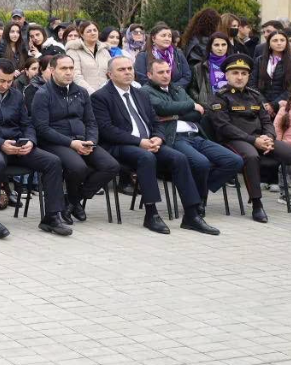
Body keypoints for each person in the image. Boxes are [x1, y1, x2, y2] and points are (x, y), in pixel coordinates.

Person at [91, 57, 214, 235]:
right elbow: (106, 130)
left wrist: (158, 138)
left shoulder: (140, 94)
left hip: (149, 143)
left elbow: (156, 121)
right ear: (110, 74)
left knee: (179, 158)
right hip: (119, 146)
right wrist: (139, 142)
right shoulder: (100, 97)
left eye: (130, 68)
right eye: (121, 70)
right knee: (146, 157)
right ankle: (151, 214)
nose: (127, 72)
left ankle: (191, 215)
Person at [204, 53, 291, 222]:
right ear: (227, 75)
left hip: (261, 139)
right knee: (251, 156)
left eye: (244, 73)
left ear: (248, 76)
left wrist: (269, 136)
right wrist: (254, 140)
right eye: (235, 73)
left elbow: (266, 121)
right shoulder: (219, 97)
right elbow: (224, 127)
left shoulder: (255, 95)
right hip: (234, 140)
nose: (239, 77)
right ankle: (257, 204)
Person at [0, 58, 70, 236]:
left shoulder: (16, 95)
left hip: (16, 144)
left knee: (52, 161)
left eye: (9, 81)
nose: (5, 85)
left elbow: (26, 123)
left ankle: (52, 217)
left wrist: (30, 141)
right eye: (1, 81)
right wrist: (0, 143)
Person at [140, 57, 242, 219]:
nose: (166, 75)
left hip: (196, 135)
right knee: (201, 163)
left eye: (168, 71)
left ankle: (196, 191)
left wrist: (174, 114)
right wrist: (189, 106)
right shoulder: (145, 91)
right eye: (160, 72)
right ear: (150, 75)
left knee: (234, 161)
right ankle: (198, 201)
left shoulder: (177, 89)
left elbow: (198, 114)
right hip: (175, 137)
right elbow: (163, 107)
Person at [31, 54, 118, 221]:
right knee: (78, 167)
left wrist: (91, 141)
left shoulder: (81, 92)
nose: (68, 72)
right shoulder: (43, 94)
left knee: (111, 166)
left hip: (82, 140)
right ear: (52, 70)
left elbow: (91, 122)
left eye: (71, 68)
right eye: (63, 68)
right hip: (55, 142)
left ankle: (72, 200)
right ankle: (74, 202)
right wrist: (71, 143)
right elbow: (42, 128)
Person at [256, 30, 291, 110]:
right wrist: (264, 104)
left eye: (282, 40)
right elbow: (252, 84)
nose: (279, 43)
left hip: (283, 105)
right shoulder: (260, 60)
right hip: (261, 105)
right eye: (275, 40)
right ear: (269, 43)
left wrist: (273, 105)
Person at [66, 21, 111, 94]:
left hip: (106, 93)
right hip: (83, 94)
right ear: (82, 34)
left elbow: (111, 73)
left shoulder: (104, 51)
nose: (93, 33)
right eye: (89, 31)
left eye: (95, 30)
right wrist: (92, 93)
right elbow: (75, 76)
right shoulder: (73, 51)